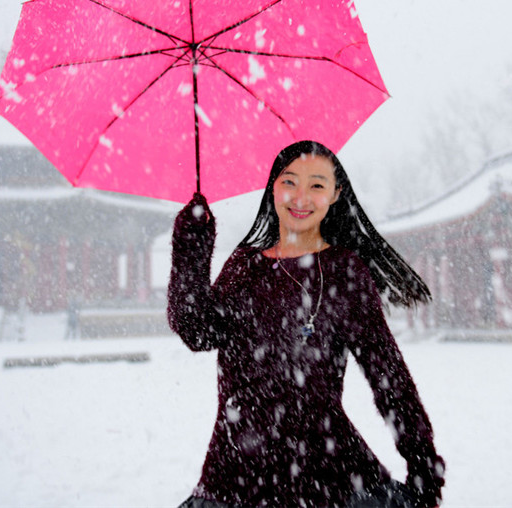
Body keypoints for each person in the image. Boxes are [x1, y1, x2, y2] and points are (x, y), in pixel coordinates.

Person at [168, 141, 445, 508]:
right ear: (273, 188)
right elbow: (198, 331)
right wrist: (191, 248)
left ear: (335, 194)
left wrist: (422, 462)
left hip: (327, 475)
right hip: (235, 476)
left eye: (316, 185)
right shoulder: (244, 267)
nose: (301, 197)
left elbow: (387, 374)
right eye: (289, 182)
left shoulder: (344, 271)